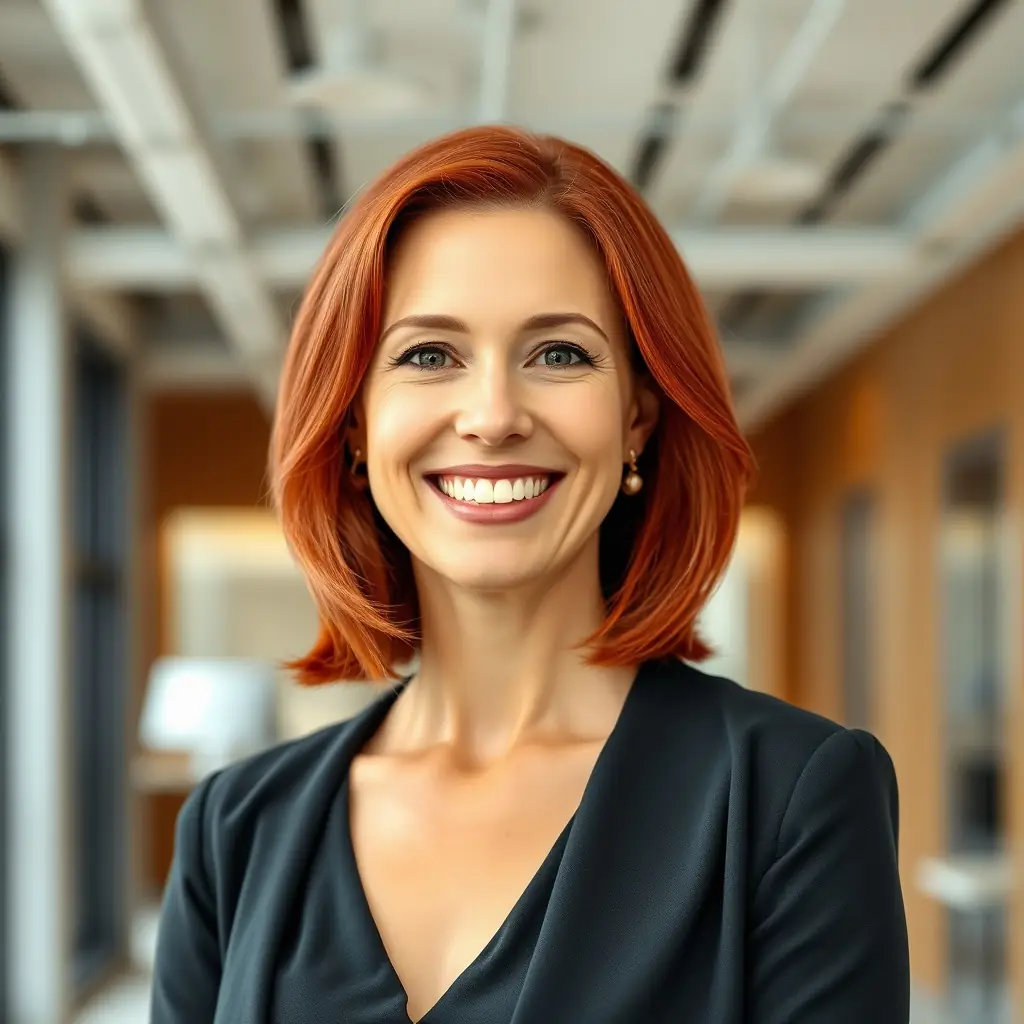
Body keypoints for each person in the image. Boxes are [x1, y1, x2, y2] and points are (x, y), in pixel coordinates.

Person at [151, 126, 910, 1023]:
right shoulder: (235, 828)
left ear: (637, 416)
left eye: (559, 354)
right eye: (429, 355)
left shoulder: (792, 796)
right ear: (354, 423)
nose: (494, 415)